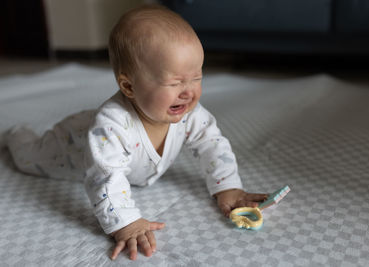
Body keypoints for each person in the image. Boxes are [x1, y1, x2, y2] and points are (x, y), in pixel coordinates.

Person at [6, 4, 267, 261]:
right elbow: (104, 176)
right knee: (27, 158)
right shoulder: (112, 124)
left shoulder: (189, 113)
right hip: (69, 146)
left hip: (99, 133)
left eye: (196, 77)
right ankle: (15, 132)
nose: (188, 91)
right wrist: (126, 222)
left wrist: (227, 186)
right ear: (129, 86)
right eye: (174, 83)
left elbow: (212, 144)